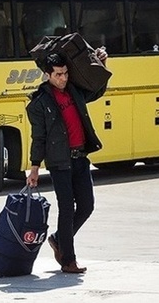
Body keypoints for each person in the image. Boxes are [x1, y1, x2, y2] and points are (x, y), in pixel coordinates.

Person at [25, 49, 108, 274]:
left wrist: (101, 64)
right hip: (59, 162)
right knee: (67, 209)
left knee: (87, 206)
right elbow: (38, 138)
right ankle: (68, 261)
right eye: (58, 75)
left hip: (80, 158)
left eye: (65, 73)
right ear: (48, 75)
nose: (63, 78)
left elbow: (97, 90)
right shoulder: (38, 103)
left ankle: (58, 239)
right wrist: (34, 168)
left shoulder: (74, 91)